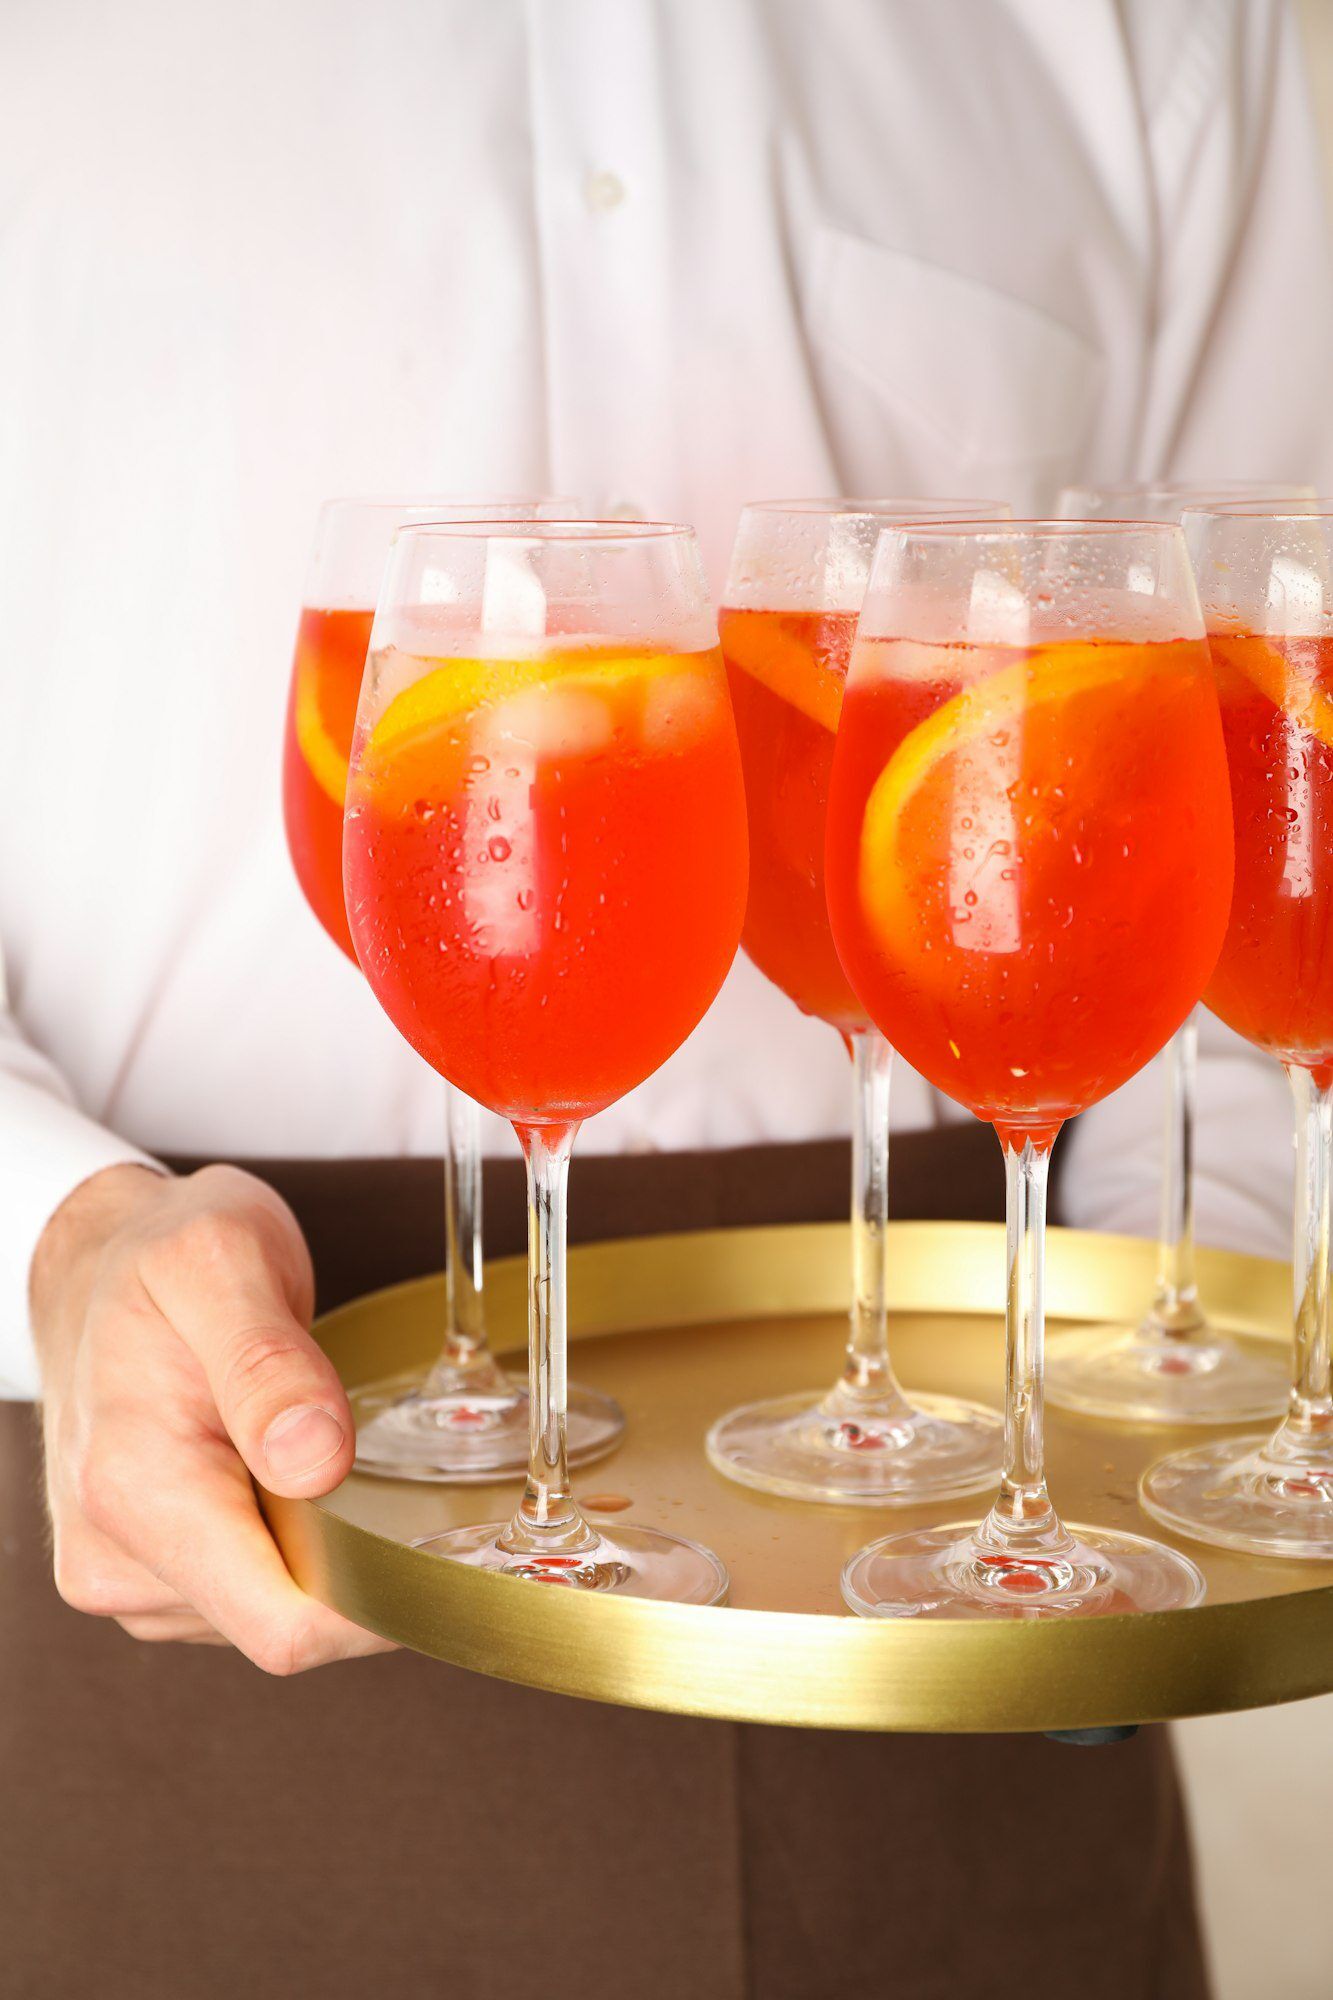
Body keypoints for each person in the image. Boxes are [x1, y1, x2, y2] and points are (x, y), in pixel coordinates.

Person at [3, 2, 1330, 1995]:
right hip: (180, 1479)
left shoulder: (1160, 28)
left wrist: (1149, 1494)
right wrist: (50, 1224)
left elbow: (1247, 753)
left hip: (956, 1633)